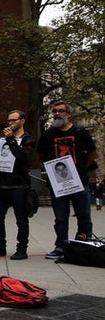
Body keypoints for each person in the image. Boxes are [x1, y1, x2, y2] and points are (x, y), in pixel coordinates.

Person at [37, 102, 97, 259]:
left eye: (61, 111)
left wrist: (82, 168)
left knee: (84, 215)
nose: (57, 114)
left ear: (69, 114)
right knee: (61, 217)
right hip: (58, 183)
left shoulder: (80, 131)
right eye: (55, 111)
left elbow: (92, 152)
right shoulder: (48, 134)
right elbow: (41, 155)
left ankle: (84, 244)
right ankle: (61, 246)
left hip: (79, 181)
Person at [0, 110, 36, 260]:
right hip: (3, 185)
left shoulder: (28, 140)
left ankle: (22, 249)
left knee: (21, 219)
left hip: (19, 186)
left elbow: (23, 157)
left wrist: (10, 139)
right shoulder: (2, 140)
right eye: (9, 120)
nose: (10, 123)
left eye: (14, 120)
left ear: (22, 121)